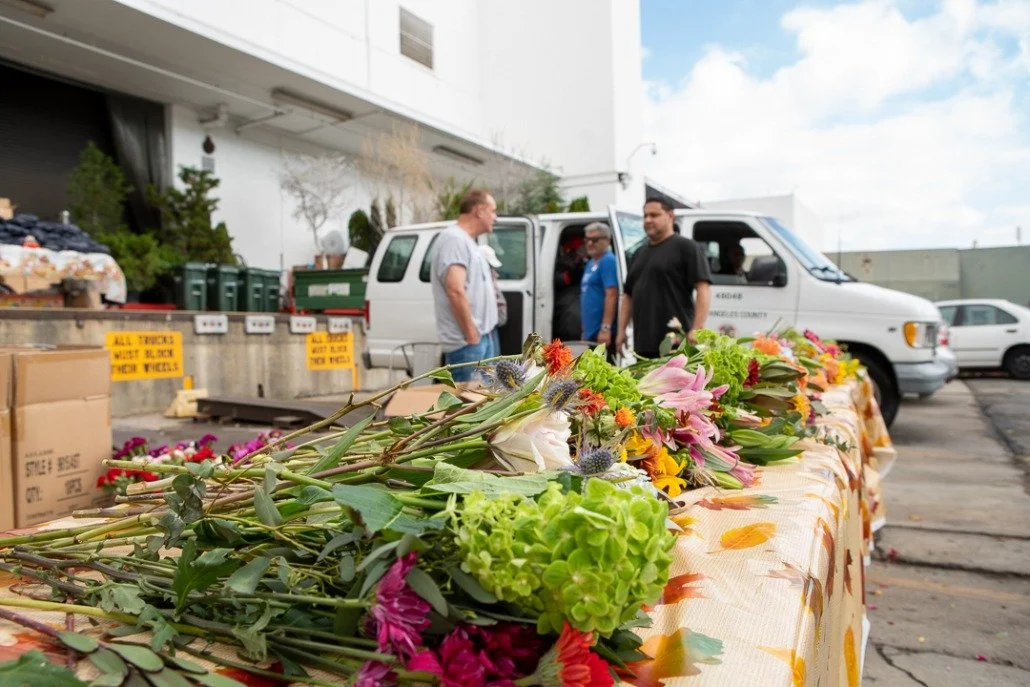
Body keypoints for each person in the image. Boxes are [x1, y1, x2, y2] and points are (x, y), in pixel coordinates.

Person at [616, 197, 712, 358]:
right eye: (645, 215)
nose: (648, 220)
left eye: (654, 215)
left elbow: (703, 289)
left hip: (675, 345)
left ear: (670, 216)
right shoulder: (639, 252)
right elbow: (628, 295)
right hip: (643, 345)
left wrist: (697, 328)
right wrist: (621, 331)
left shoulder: (687, 247)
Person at [430, 188, 499, 382]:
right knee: (467, 407)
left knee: (484, 405)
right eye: (493, 211)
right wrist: (471, 335)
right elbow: (455, 291)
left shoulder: (467, 241)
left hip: (481, 338)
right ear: (479, 211)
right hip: (468, 344)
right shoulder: (454, 239)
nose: (496, 217)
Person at [580, 222, 618, 346]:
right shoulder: (591, 262)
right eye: (587, 240)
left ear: (607, 240)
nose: (590, 243)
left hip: (601, 333)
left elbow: (612, 294)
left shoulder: (608, 260)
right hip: (590, 332)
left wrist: (605, 328)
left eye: (595, 239)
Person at [479, 244, 507, 356]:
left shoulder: (490, 276)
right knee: (488, 360)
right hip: (483, 326)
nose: (494, 272)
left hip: (491, 323)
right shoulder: (478, 279)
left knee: (494, 357)